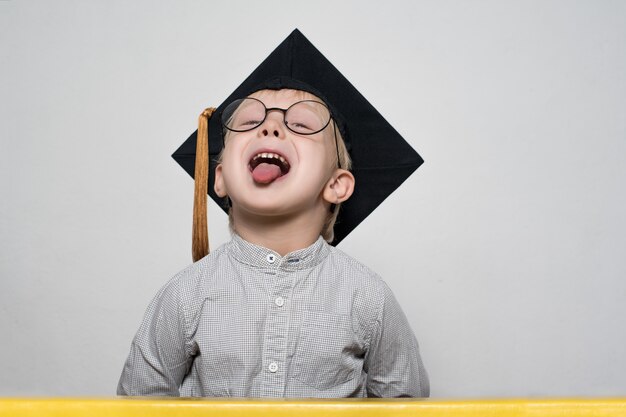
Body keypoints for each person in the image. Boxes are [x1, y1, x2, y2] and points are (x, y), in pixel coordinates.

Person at [117, 29, 429, 398]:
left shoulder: (368, 297)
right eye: (248, 122)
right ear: (220, 179)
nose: (270, 125)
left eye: (301, 125)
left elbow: (404, 403)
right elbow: (139, 401)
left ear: (337, 185)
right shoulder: (186, 294)